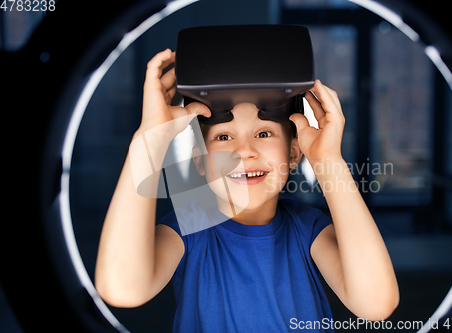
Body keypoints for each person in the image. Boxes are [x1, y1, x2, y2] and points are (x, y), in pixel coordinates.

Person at [95, 48, 399, 331]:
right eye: (224, 137)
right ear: (200, 161)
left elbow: (375, 304)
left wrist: (328, 160)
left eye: (263, 133)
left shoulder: (308, 228)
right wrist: (149, 140)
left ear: (294, 153)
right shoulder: (189, 227)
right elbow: (122, 289)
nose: (244, 151)